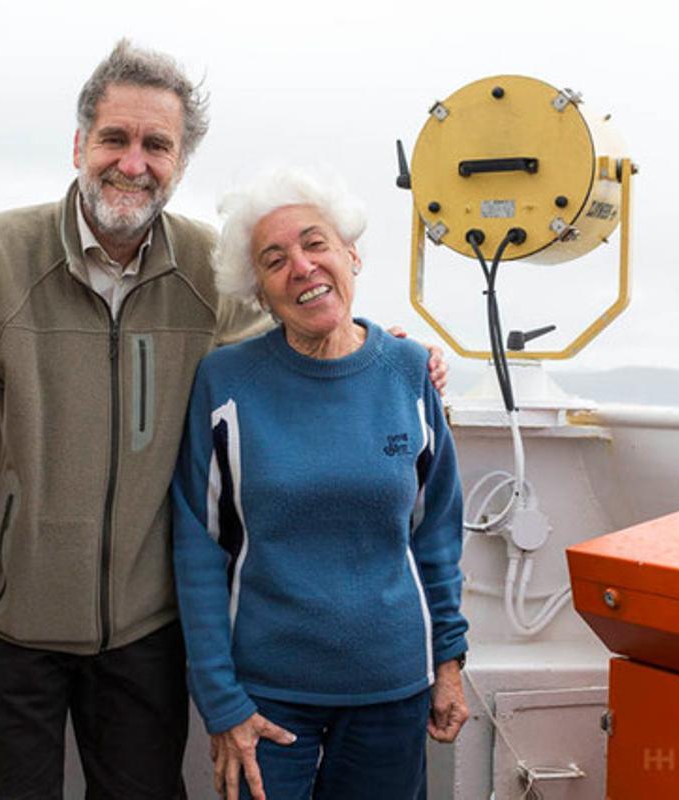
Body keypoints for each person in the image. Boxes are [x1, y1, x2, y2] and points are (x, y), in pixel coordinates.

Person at [0, 42, 448, 799]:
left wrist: (394, 355)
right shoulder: (0, 255)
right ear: (80, 143)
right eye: (116, 138)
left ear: (180, 163)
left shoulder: (205, 270)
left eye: (158, 145)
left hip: (147, 633)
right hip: (11, 621)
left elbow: (308, 309)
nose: (134, 161)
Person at [172, 167, 469, 800]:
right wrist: (220, 702)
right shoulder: (225, 383)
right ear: (259, 292)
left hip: (394, 688)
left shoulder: (410, 371)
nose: (301, 267)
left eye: (316, 243)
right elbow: (199, 553)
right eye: (274, 260)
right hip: (266, 698)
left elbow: (437, 538)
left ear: (351, 254)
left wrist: (448, 664)